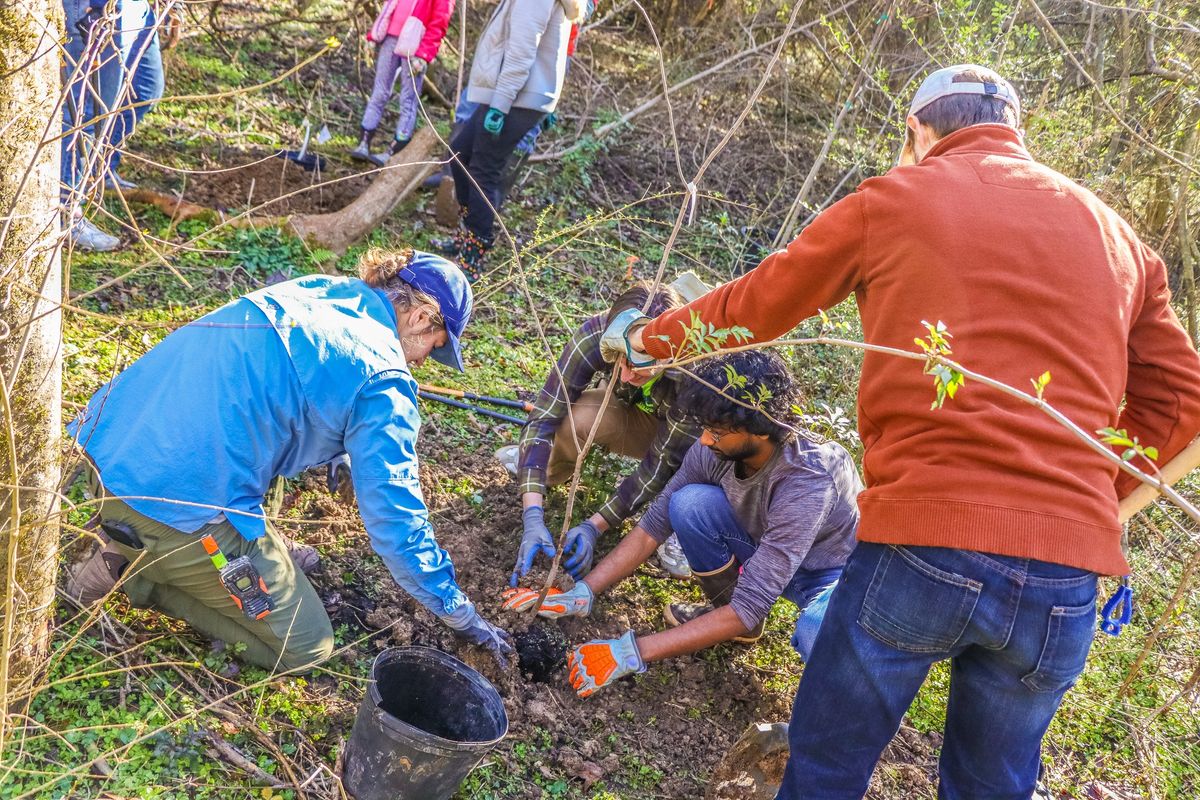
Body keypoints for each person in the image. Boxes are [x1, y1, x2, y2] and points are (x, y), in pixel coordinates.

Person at [609, 64, 1200, 798]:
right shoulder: (1120, 238)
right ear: (1018, 133)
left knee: (827, 767)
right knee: (992, 788)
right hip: (1064, 574)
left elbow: (762, 302)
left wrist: (649, 343)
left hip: (925, 542)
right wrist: (1084, 503)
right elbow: (1182, 402)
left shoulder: (896, 197)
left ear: (919, 133)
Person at [65, 249, 513, 672]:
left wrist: (341, 453)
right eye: (434, 346)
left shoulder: (319, 291)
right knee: (308, 645)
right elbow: (398, 522)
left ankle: (171, 548)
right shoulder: (385, 379)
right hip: (166, 504)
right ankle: (135, 571)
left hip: (102, 444)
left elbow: (287, 388)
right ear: (418, 316)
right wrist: (459, 613)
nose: (424, 359)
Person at [502, 349, 861, 696]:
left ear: (761, 430)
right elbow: (653, 526)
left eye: (717, 433)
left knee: (819, 629)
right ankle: (737, 626)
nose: (705, 440)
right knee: (687, 505)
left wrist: (632, 652)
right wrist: (584, 592)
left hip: (827, 574)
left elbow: (752, 601)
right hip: (764, 548)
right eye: (705, 428)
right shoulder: (715, 447)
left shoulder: (808, 480)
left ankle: (826, 725)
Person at [508, 280, 701, 589]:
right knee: (578, 420)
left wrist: (594, 526)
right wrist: (532, 515)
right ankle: (541, 474)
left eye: (638, 368)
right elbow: (545, 415)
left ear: (667, 355)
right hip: (635, 410)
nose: (624, 374)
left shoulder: (692, 375)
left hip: (688, 438)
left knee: (696, 465)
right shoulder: (598, 334)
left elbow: (659, 466)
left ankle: (684, 521)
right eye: (618, 361)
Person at [439, 0, 585, 278]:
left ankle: (474, 254)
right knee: (459, 152)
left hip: (515, 96)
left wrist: (500, 105)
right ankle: (468, 233)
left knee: (483, 171)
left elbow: (521, 52)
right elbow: (550, 49)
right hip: (517, 93)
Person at [350, 0, 454, 166]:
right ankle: (364, 141)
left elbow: (439, 23)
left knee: (408, 98)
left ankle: (395, 150)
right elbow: (389, 7)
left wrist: (424, 54)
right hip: (390, 38)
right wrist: (374, 35)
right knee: (380, 91)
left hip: (415, 44)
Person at [103, 0, 168, 190]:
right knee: (98, 101)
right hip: (111, 7)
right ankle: (69, 200)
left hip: (140, 8)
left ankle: (100, 169)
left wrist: (176, 10)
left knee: (145, 89)